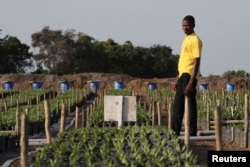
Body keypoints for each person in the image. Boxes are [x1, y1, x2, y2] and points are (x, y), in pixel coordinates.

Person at [171, 15, 202, 136]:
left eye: (187, 25)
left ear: (193, 25)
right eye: (183, 25)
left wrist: (191, 82)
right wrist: (177, 80)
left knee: (187, 105)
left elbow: (196, 62)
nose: (185, 27)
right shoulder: (186, 39)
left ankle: (188, 132)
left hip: (189, 76)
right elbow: (183, 62)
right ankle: (177, 131)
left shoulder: (195, 40)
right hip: (182, 76)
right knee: (178, 105)